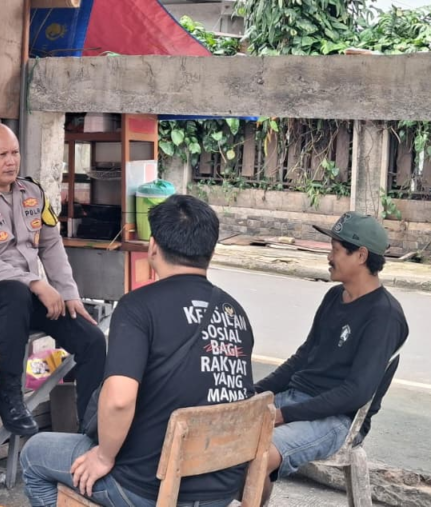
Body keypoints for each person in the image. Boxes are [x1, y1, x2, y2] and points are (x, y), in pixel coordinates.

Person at [20, 195, 255, 507]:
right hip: (221, 489)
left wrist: (103, 457)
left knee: (35, 454)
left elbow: (119, 400)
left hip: (148, 486)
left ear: (153, 247)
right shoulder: (235, 313)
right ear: (211, 251)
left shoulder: (138, 307)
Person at [0, 122, 107, 436]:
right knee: (14, 292)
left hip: (23, 298)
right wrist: (36, 283)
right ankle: (8, 393)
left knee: (92, 339)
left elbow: (51, 246)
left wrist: (68, 294)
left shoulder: (32, 193)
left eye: (15, 153)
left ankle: (92, 431)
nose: (11, 161)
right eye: (2, 155)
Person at [252, 212, 409, 503]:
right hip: (296, 399)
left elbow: (355, 393)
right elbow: (302, 359)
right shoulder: (334, 297)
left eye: (335, 250)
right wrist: (254, 393)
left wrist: (285, 415)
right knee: (219, 436)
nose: (329, 257)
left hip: (337, 420)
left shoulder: (384, 316)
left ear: (361, 256)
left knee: (257, 455)